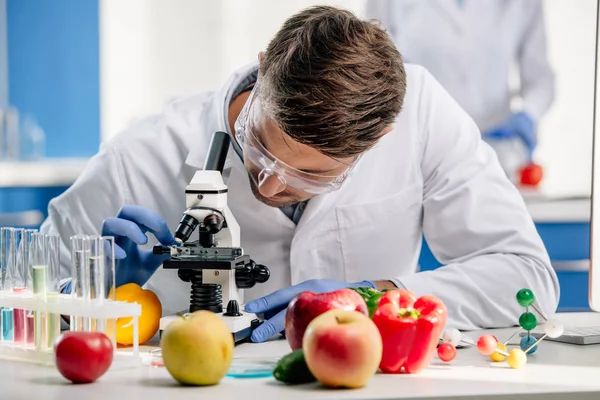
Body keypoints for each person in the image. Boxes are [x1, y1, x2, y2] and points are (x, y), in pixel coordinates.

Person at [40, 6, 559, 343]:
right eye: (261, 149)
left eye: (308, 178)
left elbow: (527, 280)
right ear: (264, 67)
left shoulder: (421, 115)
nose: (267, 187)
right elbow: (20, 296)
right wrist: (83, 289)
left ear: (379, 141)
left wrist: (376, 295)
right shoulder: (138, 158)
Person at [364, 0, 556, 180]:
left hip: (495, 147)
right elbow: (375, 68)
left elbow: (540, 77)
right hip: (419, 147)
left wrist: (528, 115)